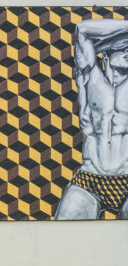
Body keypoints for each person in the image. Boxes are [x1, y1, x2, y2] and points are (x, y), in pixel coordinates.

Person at [55, 19, 128, 220]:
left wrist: (110, 43)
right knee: (60, 233)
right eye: (122, 47)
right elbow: (82, 29)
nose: (127, 51)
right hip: (90, 179)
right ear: (106, 53)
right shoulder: (89, 78)